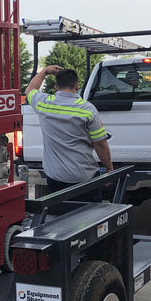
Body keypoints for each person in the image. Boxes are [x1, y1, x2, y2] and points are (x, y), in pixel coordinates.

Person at [25, 65, 113, 201]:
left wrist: (45, 71)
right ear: (76, 85)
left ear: (56, 87)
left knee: (60, 218)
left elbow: (30, 89)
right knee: (90, 217)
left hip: (56, 177)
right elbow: (100, 143)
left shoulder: (44, 104)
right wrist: (108, 168)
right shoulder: (87, 109)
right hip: (84, 177)